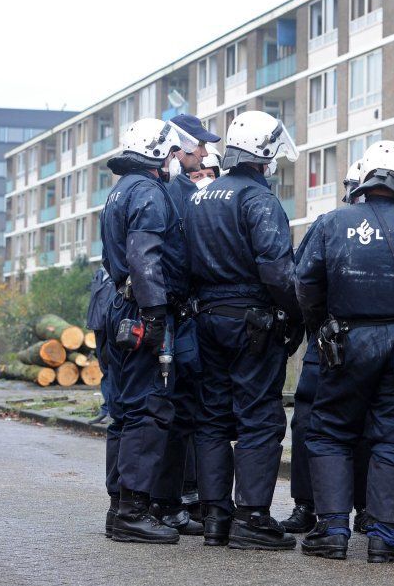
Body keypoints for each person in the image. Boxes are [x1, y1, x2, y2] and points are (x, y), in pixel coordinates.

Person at [295, 140, 394, 563]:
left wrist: (320, 329)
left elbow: (305, 284)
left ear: (365, 176)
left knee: (330, 430)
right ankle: (385, 537)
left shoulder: (331, 222)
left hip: (346, 341)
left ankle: (332, 530)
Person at [186, 110, 304, 550]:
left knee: (213, 417)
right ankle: (252, 517)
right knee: (259, 418)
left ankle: (216, 516)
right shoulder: (259, 201)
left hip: (206, 319)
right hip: (251, 321)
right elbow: (277, 272)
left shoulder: (199, 196)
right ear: (266, 153)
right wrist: (298, 315)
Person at [100, 117, 203, 544]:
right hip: (144, 310)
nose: (178, 159)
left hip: (122, 307)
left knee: (124, 411)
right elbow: (145, 258)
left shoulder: (120, 190)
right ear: (160, 154)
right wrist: (157, 314)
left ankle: (119, 506)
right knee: (149, 407)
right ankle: (133, 511)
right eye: (174, 152)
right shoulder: (148, 192)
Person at [281, 162, 370, 536]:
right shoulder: (326, 225)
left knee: (369, 428)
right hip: (327, 341)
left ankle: (367, 507)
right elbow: (302, 281)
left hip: (370, 343)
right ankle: (306, 505)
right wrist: (310, 327)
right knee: (306, 424)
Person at [146, 114, 221, 537]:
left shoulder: (175, 191)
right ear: (183, 146)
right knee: (172, 410)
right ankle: (164, 502)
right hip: (177, 317)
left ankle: (173, 499)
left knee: (183, 409)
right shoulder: (174, 195)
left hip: (183, 317)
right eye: (202, 147)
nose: (207, 154)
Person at [86, 266, 115, 426]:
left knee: (113, 369)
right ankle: (106, 409)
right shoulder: (99, 275)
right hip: (98, 327)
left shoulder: (117, 272)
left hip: (110, 328)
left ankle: (113, 410)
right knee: (105, 370)